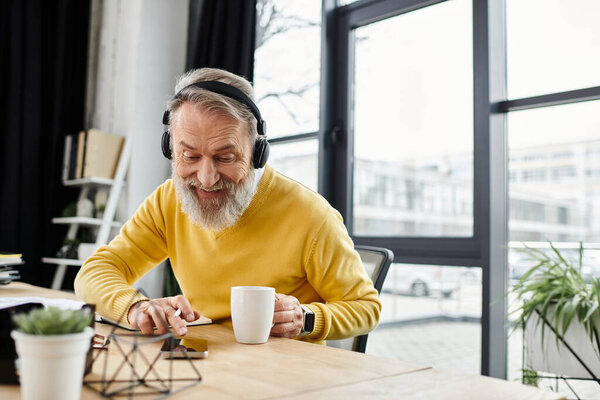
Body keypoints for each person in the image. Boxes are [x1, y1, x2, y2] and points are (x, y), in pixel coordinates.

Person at [74, 68, 381, 343]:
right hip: (207, 361)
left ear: (258, 151)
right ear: (170, 149)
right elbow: (96, 271)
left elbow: (366, 307)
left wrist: (306, 317)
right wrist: (136, 308)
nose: (206, 179)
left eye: (225, 157)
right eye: (190, 157)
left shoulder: (312, 215)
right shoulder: (168, 200)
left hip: (287, 376)